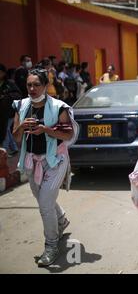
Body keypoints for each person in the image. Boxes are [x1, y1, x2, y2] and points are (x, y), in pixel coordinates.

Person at [12, 68, 79, 267]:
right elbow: (16, 137)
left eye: (36, 85)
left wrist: (46, 130)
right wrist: (22, 126)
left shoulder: (59, 107)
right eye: (29, 85)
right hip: (31, 161)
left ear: (45, 85)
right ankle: (61, 220)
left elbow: (67, 135)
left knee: (44, 204)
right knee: (42, 198)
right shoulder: (21, 106)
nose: (32, 89)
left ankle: (51, 245)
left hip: (55, 161)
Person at [0, 64, 22, 155]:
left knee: (5, 129)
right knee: (6, 129)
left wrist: (6, 96)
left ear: (4, 73)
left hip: (9, 112)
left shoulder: (9, 83)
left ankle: (3, 152)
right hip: (1, 112)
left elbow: (18, 94)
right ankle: (14, 147)